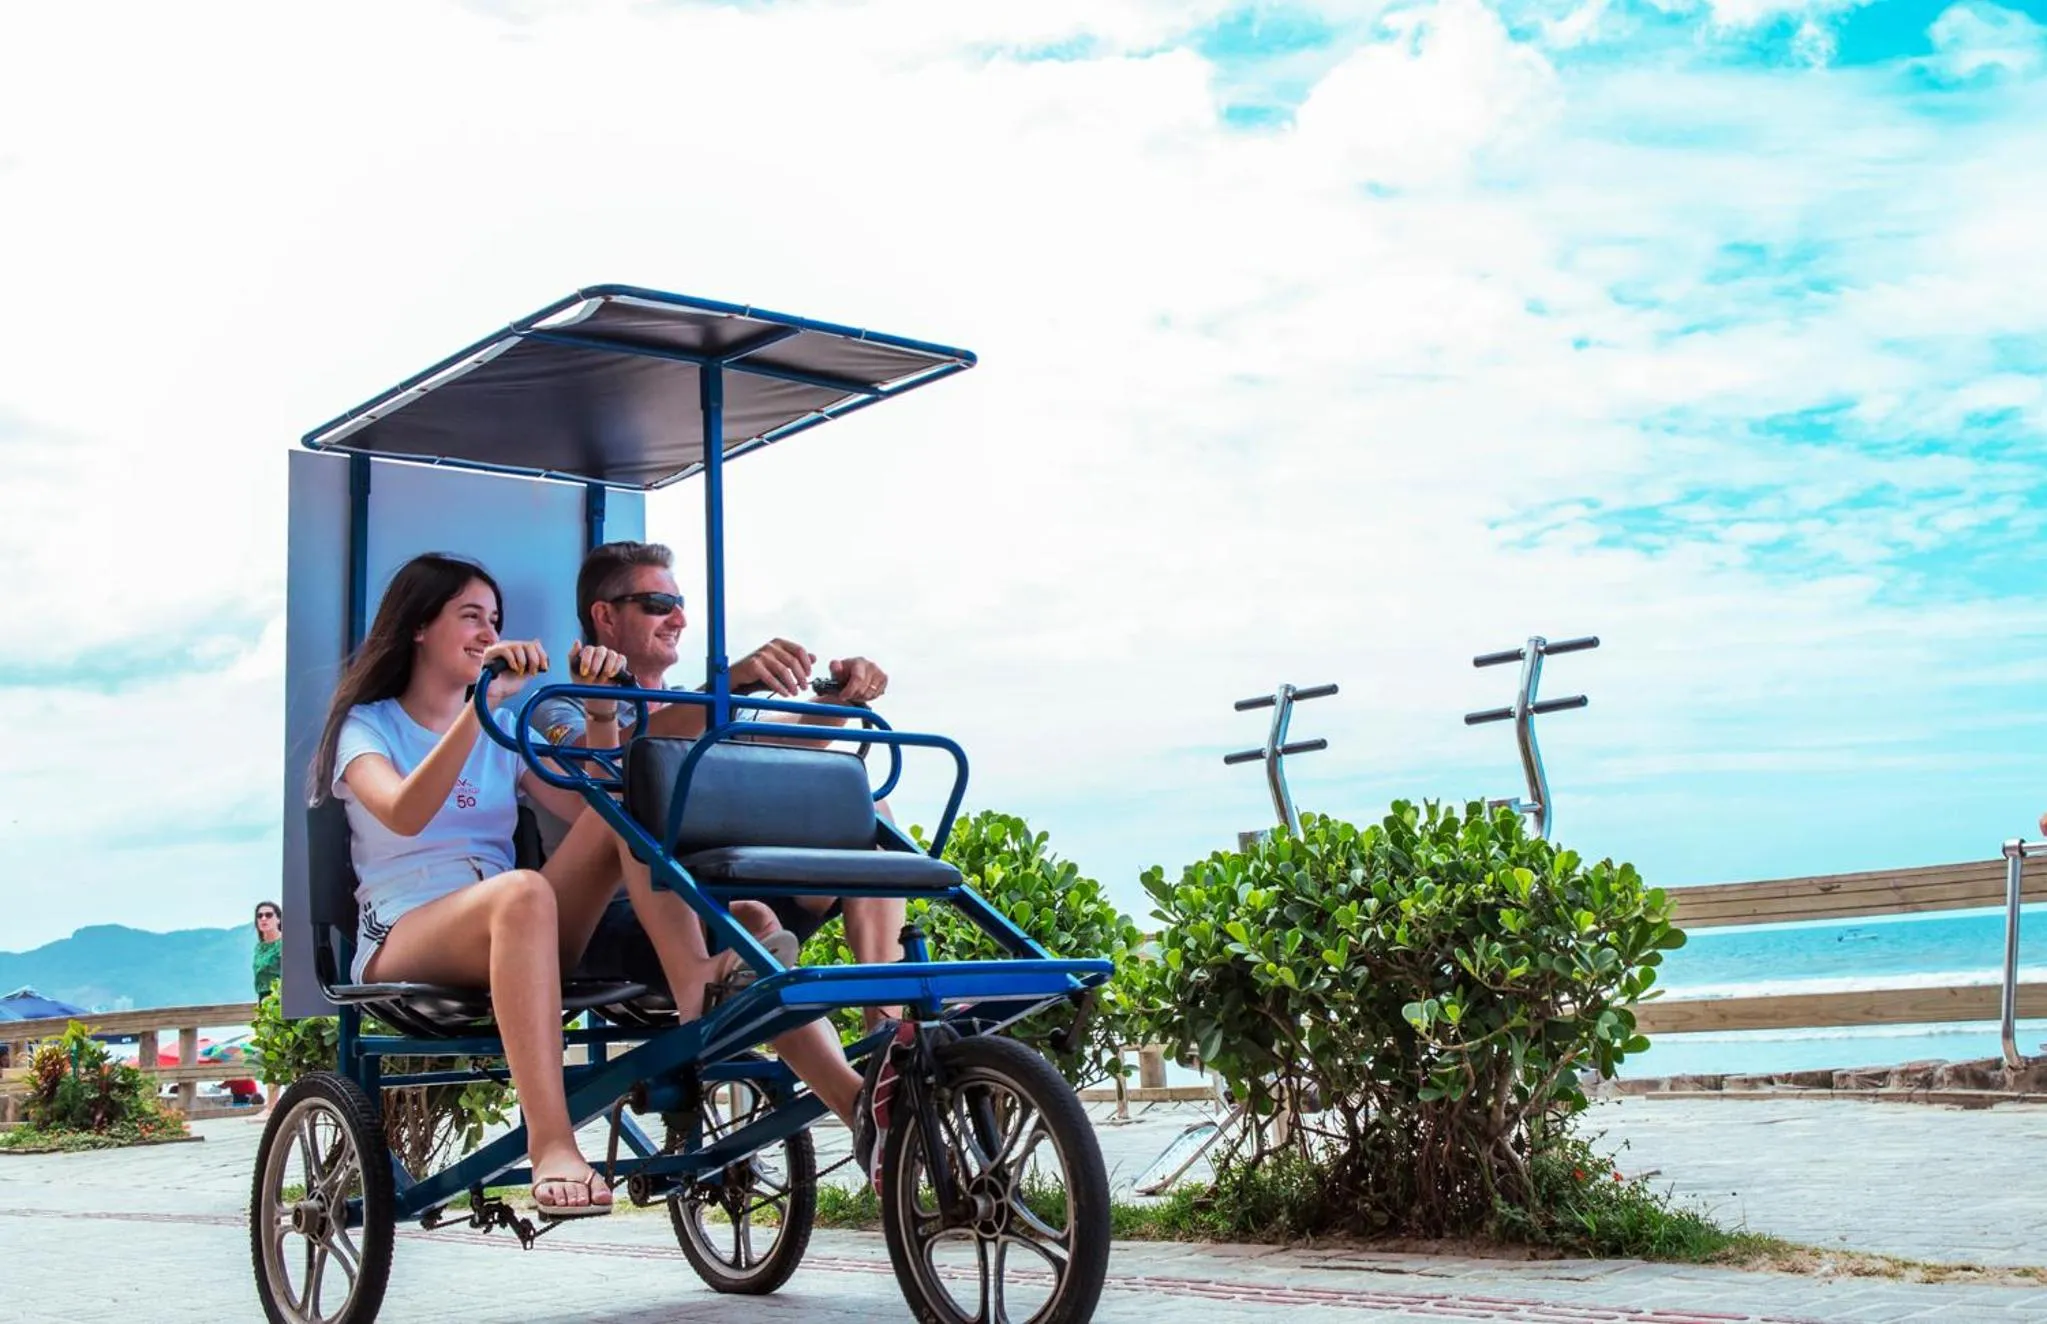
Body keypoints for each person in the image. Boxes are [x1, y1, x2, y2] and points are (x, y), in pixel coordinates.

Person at [312, 553, 893, 1216]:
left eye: (493, 621)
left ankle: (721, 1003)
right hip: (407, 927)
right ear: (419, 627)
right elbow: (404, 812)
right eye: (470, 618)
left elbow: (596, 808)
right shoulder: (371, 724)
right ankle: (552, 1142)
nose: (486, 632)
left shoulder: (506, 730)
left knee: (626, 806)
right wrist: (482, 708)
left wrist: (596, 716)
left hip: (518, 928)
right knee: (523, 889)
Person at [529, 539, 908, 1031]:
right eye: (659, 606)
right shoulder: (558, 708)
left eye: (680, 607)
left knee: (870, 814)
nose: (679, 620)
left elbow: (777, 743)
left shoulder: (701, 705)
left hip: (719, 899)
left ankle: (887, 1029)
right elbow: (614, 770)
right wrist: (731, 684)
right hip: (625, 921)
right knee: (634, 812)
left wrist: (842, 697)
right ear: (605, 615)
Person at [252, 901, 283, 1001]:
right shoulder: (259, 947)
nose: (263, 918)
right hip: (263, 999)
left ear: (278, 919)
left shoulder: (286, 944)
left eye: (268, 915)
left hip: (282, 999)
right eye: (259, 916)